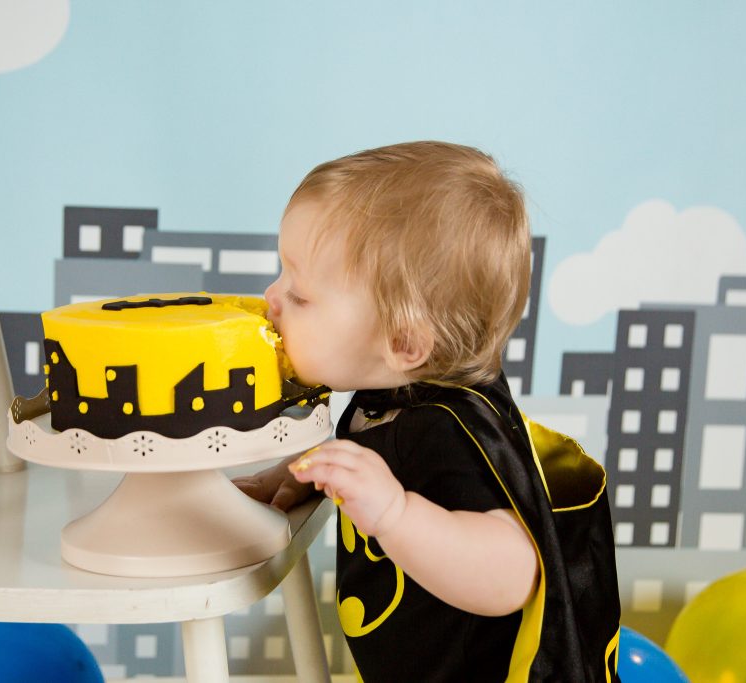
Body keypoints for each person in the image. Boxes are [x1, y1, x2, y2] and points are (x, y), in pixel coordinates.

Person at [235, 141, 621, 682]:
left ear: (403, 342)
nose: (272, 297)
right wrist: (310, 471)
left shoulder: (453, 433)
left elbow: (516, 573)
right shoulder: (389, 398)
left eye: (300, 295)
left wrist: (396, 514)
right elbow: (382, 454)